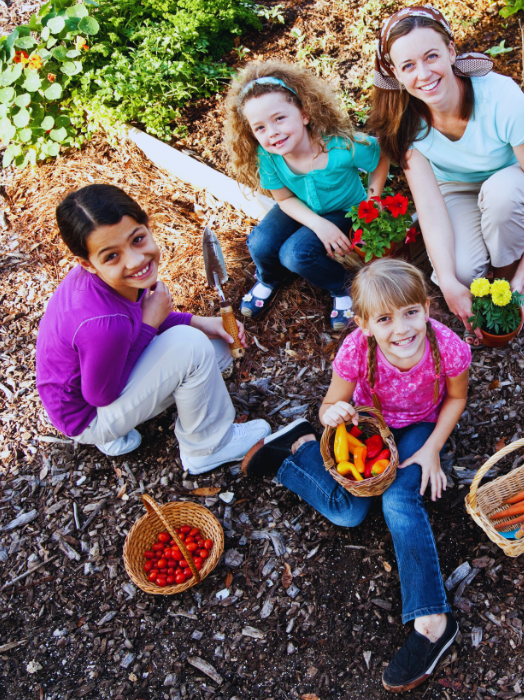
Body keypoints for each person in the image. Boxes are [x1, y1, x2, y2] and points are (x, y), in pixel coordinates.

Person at [241, 259, 470, 692]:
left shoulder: (448, 346)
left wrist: (432, 449)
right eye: (385, 319)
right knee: (348, 513)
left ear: (426, 307)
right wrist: (333, 415)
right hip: (366, 426)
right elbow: (329, 407)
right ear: (364, 324)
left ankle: (432, 622)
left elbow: (456, 399)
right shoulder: (355, 350)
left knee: (400, 498)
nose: (401, 329)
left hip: (420, 426)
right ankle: (295, 453)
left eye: (410, 313)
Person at [35, 184, 271, 473]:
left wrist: (200, 322)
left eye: (137, 239)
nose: (135, 260)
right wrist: (152, 324)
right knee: (193, 348)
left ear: (147, 226)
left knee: (217, 347)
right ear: (88, 264)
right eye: (112, 256)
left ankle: (121, 432)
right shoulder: (104, 326)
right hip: (88, 416)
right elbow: (101, 395)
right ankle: (208, 447)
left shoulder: (107, 282)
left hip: (81, 390)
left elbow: (140, 320)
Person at [367, 5, 524, 336]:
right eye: (409, 65)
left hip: (510, 182)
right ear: (397, 74)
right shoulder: (404, 122)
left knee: (501, 199)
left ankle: (505, 276)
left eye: (431, 56)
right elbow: (428, 207)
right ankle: (488, 265)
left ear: (451, 51)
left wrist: (521, 277)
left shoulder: (501, 98)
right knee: (461, 273)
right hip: (456, 188)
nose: (424, 74)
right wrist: (450, 285)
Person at [223, 60, 390, 330]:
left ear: (304, 114)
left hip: (343, 209)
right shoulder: (267, 156)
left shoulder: (339, 146)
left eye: (279, 118)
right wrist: (316, 223)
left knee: (297, 254)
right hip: (299, 206)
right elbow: (285, 199)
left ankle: (343, 287)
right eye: (260, 127)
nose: (273, 132)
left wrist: (373, 199)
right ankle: (269, 278)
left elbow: (380, 156)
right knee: (259, 243)